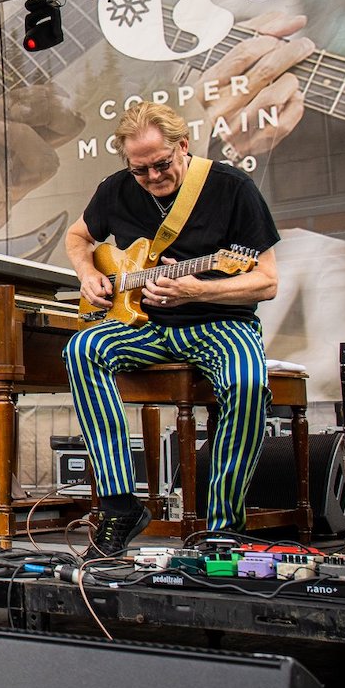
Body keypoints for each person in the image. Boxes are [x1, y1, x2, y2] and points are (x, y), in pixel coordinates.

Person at [64, 102, 280, 556]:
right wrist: (88, 274)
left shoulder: (231, 187)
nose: (153, 177)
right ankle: (121, 503)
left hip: (220, 323)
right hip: (147, 326)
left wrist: (195, 291)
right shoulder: (116, 190)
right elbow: (78, 237)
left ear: (183, 145)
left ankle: (222, 528)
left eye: (162, 164)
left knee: (247, 383)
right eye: (140, 169)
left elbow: (266, 281)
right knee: (82, 348)